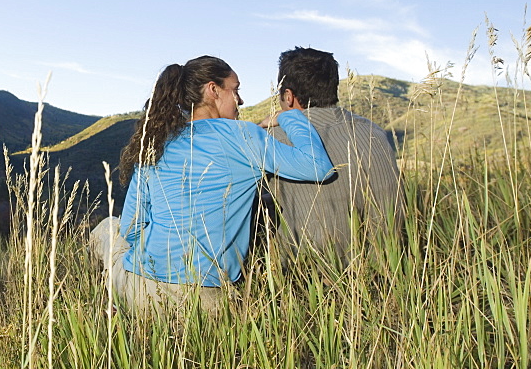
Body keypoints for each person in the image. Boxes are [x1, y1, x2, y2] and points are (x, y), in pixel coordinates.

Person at [89, 55, 334, 313]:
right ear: (213, 90)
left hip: (139, 290)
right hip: (206, 302)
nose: (240, 100)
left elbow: (132, 228)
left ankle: (109, 304)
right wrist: (288, 117)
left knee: (107, 228)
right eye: (235, 90)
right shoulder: (243, 135)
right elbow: (318, 167)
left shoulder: (155, 143)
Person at [260, 47, 402, 265]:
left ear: (288, 96)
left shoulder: (272, 139)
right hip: (386, 270)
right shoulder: (375, 132)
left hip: (306, 279)